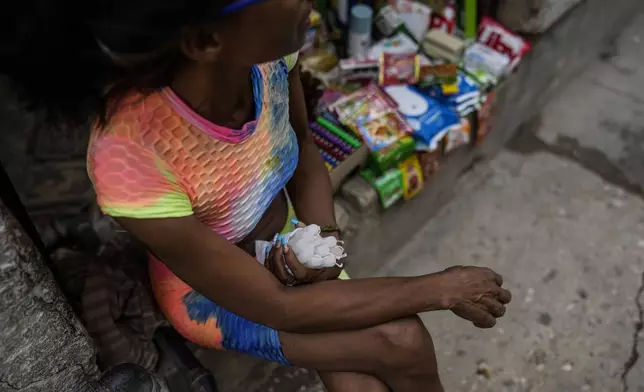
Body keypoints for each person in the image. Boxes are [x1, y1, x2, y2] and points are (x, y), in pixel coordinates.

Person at [3, 0, 512, 390]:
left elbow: (305, 152)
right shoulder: (129, 155)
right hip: (215, 296)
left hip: (291, 245)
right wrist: (441, 288)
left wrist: (324, 248)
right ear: (205, 41)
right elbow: (277, 307)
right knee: (401, 340)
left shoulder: (271, 58)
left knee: (365, 369)